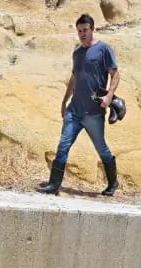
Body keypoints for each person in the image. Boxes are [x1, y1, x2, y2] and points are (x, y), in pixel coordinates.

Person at [37, 14, 120, 197]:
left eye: (85, 30)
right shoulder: (77, 52)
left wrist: (109, 97)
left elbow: (115, 75)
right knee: (63, 145)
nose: (82, 34)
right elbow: (74, 78)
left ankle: (113, 183)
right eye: (79, 31)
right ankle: (53, 185)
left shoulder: (103, 49)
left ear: (92, 29)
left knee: (101, 149)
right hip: (74, 111)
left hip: (94, 113)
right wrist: (64, 101)